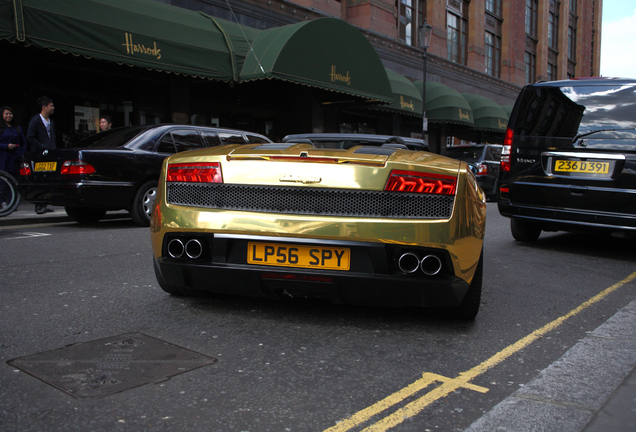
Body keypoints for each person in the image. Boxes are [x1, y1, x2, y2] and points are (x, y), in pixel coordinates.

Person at [26, 96, 56, 213]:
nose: (53, 108)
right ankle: (38, 205)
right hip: (39, 154)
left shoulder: (51, 122)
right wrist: (41, 147)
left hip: (50, 153)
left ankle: (45, 202)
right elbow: (30, 137)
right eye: (51, 106)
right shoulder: (35, 121)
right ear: (44, 107)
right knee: (39, 179)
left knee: (48, 179)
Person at [0, 106, 26, 209]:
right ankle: (3, 202)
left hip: (15, 158)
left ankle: (13, 203)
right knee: (3, 182)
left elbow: (23, 143)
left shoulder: (17, 128)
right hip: (3, 158)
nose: (8, 116)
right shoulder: (1, 128)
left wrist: (21, 153)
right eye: (6, 114)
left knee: (14, 181)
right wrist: (6, 146)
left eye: (10, 114)